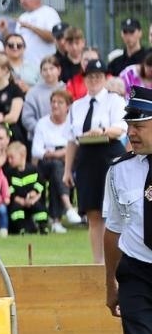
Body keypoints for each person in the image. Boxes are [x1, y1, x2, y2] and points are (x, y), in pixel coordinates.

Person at [103, 85, 152, 334]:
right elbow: (112, 229)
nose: (132, 131)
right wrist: (110, 285)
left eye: (141, 124)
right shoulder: (119, 171)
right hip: (136, 271)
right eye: (130, 123)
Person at [66, 58, 128, 264]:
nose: (94, 80)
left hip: (109, 155)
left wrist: (101, 131)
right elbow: (71, 140)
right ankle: (98, 262)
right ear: (84, 79)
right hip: (86, 159)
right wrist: (67, 170)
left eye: (98, 77)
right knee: (93, 213)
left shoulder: (115, 101)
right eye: (90, 77)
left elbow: (120, 128)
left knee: (114, 213)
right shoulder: (77, 105)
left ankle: (117, 261)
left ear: (105, 78)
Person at [30, 87, 75, 232]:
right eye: (53, 102)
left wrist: (60, 153)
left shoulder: (73, 122)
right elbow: (36, 150)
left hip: (67, 160)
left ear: (68, 106)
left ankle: (57, 219)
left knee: (59, 170)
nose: (55, 105)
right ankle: (66, 209)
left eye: (60, 102)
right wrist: (55, 154)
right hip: (46, 162)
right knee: (57, 167)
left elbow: (76, 144)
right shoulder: (42, 123)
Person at [4, 139, 48, 235]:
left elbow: (41, 183)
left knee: (40, 208)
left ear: (22, 156)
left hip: (32, 199)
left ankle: (43, 227)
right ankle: (21, 228)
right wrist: (17, 198)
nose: (9, 160)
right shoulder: (9, 172)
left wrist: (34, 193)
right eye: (8, 158)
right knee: (16, 210)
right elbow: (9, 188)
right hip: (18, 200)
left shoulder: (33, 169)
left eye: (12, 157)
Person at [15, 0, 60, 76]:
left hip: (46, 68)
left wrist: (31, 27)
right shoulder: (22, 17)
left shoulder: (48, 13)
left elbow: (52, 37)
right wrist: (5, 31)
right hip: (25, 69)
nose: (22, 1)